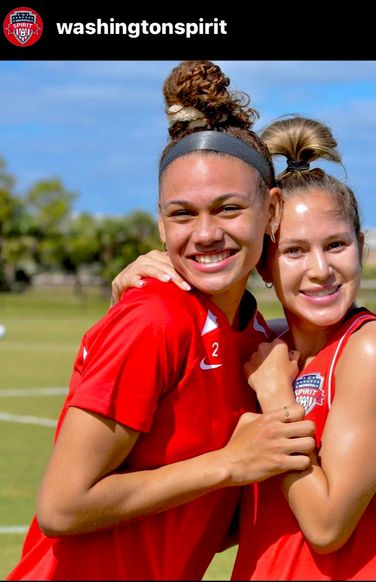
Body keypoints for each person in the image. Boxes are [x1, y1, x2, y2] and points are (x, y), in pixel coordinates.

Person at [6, 62, 316, 581]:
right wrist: (229, 464)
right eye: (182, 214)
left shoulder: (256, 337)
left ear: (273, 210)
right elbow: (62, 507)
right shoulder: (154, 319)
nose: (205, 234)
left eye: (228, 208)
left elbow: (200, 521)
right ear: (159, 220)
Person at [113, 116, 376, 580]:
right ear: (264, 265)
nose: (320, 269)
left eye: (337, 245)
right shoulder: (265, 347)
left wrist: (277, 397)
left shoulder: (372, 353)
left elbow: (326, 525)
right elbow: (230, 520)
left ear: (361, 247)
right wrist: (134, 291)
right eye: (295, 251)